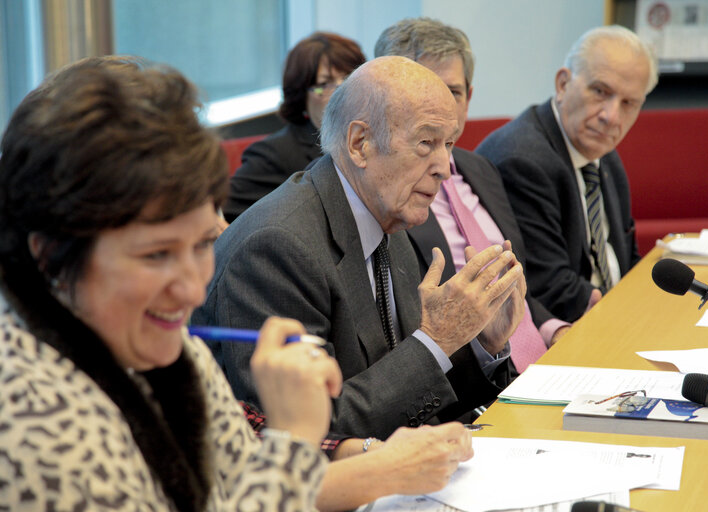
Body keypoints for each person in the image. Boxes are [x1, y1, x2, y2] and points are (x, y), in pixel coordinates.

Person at [0, 56, 472, 512]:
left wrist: (371, 458)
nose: (190, 291)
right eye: (157, 255)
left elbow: (238, 478)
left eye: (204, 243)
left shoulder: (160, 346)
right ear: (51, 254)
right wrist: (294, 440)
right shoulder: (26, 419)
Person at [193, 56, 525, 440]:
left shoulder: (387, 216)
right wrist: (437, 341)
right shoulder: (277, 247)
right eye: (426, 143)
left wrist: (482, 340)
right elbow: (314, 435)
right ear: (360, 144)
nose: (445, 167)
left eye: (449, 144)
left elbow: (409, 391)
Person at [374, 17, 570, 372]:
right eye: (422, 92)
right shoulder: (385, 195)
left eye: (451, 92)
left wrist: (554, 329)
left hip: (544, 366)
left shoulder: (480, 169)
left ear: (469, 98)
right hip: (467, 388)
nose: (438, 107)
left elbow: (512, 281)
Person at [476, 25, 658, 322]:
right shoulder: (523, 160)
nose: (611, 117)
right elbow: (550, 289)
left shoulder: (603, 155)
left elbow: (626, 258)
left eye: (628, 103)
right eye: (600, 91)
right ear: (563, 84)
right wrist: (633, 315)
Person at [223, 32, 366, 222]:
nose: (341, 93)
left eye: (348, 79)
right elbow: (221, 214)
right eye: (324, 84)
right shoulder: (274, 155)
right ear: (301, 97)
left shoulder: (370, 140)